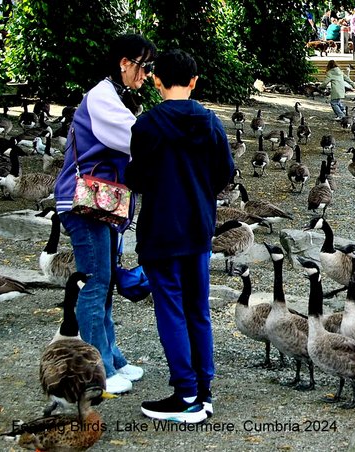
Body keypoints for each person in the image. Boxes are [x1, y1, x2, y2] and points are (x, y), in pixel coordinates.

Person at [127, 49, 234, 423]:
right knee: (197, 310)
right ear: (194, 81)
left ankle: (185, 394)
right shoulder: (210, 123)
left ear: (156, 81)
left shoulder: (146, 126)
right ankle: (203, 392)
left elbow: (136, 180)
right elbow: (225, 172)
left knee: (170, 309)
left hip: (160, 229)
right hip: (198, 227)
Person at [53, 33, 156, 396]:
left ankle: (113, 358)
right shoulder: (101, 97)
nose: (145, 74)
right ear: (124, 63)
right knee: (96, 283)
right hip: (84, 203)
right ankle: (97, 371)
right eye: (143, 66)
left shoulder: (113, 96)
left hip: (103, 204)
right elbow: (135, 140)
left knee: (105, 282)